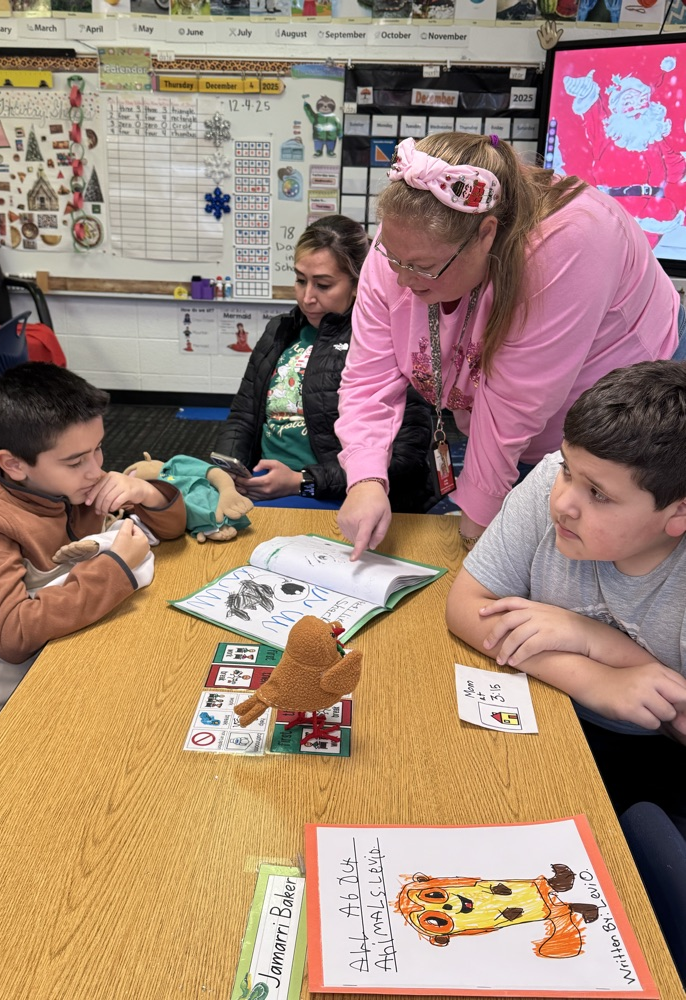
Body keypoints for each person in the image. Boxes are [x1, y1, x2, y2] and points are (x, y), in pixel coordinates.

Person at [335, 131, 682, 559]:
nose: (402, 279)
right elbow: (368, 376)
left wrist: (473, 538)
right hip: (506, 426)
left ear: (486, 234)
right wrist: (366, 479)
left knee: (606, 556)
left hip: (624, 412)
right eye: (392, 257)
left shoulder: (571, 238)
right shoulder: (406, 244)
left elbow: (509, 410)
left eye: (422, 267)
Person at [445, 360, 686, 819]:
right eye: (567, 470)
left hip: (658, 763)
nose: (563, 503)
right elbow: (465, 605)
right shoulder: (552, 481)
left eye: (599, 495)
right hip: (552, 712)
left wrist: (588, 637)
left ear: (678, 512)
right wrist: (594, 675)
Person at [0, 362, 187, 737]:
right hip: (14, 712)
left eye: (98, 449)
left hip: (79, 651)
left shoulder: (65, 480)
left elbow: (171, 531)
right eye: (76, 461)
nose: (96, 470)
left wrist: (146, 493)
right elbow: (12, 634)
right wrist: (116, 566)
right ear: (13, 464)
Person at [214, 214, 433, 510]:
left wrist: (302, 481)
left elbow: (405, 456)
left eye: (323, 285)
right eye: (300, 280)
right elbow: (243, 417)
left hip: (336, 494)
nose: (307, 298)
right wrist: (229, 472)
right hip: (264, 485)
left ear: (357, 284)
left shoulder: (385, 341)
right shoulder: (280, 330)